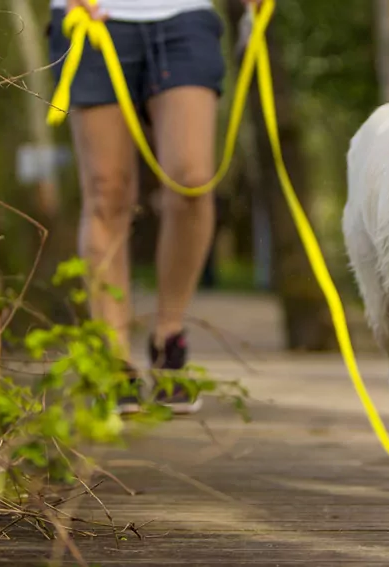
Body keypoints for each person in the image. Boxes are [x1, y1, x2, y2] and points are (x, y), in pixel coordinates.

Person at [48, 0, 260, 414]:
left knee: (192, 182)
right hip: (91, 16)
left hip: (184, 15)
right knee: (107, 191)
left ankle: (168, 338)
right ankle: (114, 360)